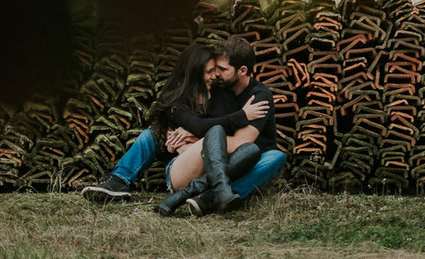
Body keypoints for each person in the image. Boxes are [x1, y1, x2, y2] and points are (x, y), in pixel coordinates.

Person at [81, 35, 286, 215]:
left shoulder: (258, 97)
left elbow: (241, 143)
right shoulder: (212, 91)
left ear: (242, 71)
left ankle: (211, 196)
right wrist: (190, 135)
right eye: (213, 70)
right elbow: (202, 127)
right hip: (201, 161)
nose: (215, 75)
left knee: (272, 156)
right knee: (150, 136)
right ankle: (118, 179)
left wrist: (196, 137)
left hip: (241, 163)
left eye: (221, 70)